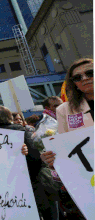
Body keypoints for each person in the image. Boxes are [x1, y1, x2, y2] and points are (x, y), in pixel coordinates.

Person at [0, 106, 62, 220]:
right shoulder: (20, 131)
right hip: (30, 182)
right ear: (9, 117)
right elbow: (34, 158)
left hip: (2, 186)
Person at [41, 58, 93, 219]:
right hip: (89, 181)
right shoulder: (65, 109)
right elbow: (64, 147)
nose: (84, 78)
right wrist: (52, 158)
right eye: (77, 77)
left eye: (89, 73)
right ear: (73, 83)